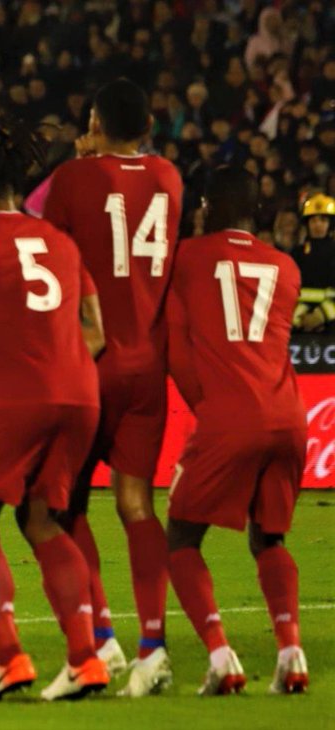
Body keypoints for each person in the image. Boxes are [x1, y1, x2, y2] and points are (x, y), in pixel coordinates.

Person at [0, 120, 108, 702]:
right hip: (80, 392)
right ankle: (86, 658)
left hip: (15, 397)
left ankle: (9, 656)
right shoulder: (59, 240)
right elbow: (96, 331)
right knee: (43, 520)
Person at [40, 78, 184, 694]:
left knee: (63, 504)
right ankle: (154, 646)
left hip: (91, 359)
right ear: (149, 127)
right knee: (137, 504)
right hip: (149, 364)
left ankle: (102, 638)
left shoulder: (74, 179)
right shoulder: (171, 178)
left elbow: (35, 236)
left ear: (95, 121)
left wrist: (76, 162)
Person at [164, 167, 308, 695]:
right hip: (289, 415)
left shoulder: (187, 258)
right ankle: (291, 654)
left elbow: (177, 346)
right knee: (268, 536)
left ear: (207, 206)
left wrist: (210, 410)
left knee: (181, 535)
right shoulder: (286, 267)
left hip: (230, 414)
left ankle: (222, 657)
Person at [292, 194, 335, 332]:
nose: (318, 224)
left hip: (330, 320)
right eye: (313, 220)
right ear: (307, 224)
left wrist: (321, 315)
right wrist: (299, 317)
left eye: (323, 220)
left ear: (330, 224)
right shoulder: (297, 253)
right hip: (299, 321)